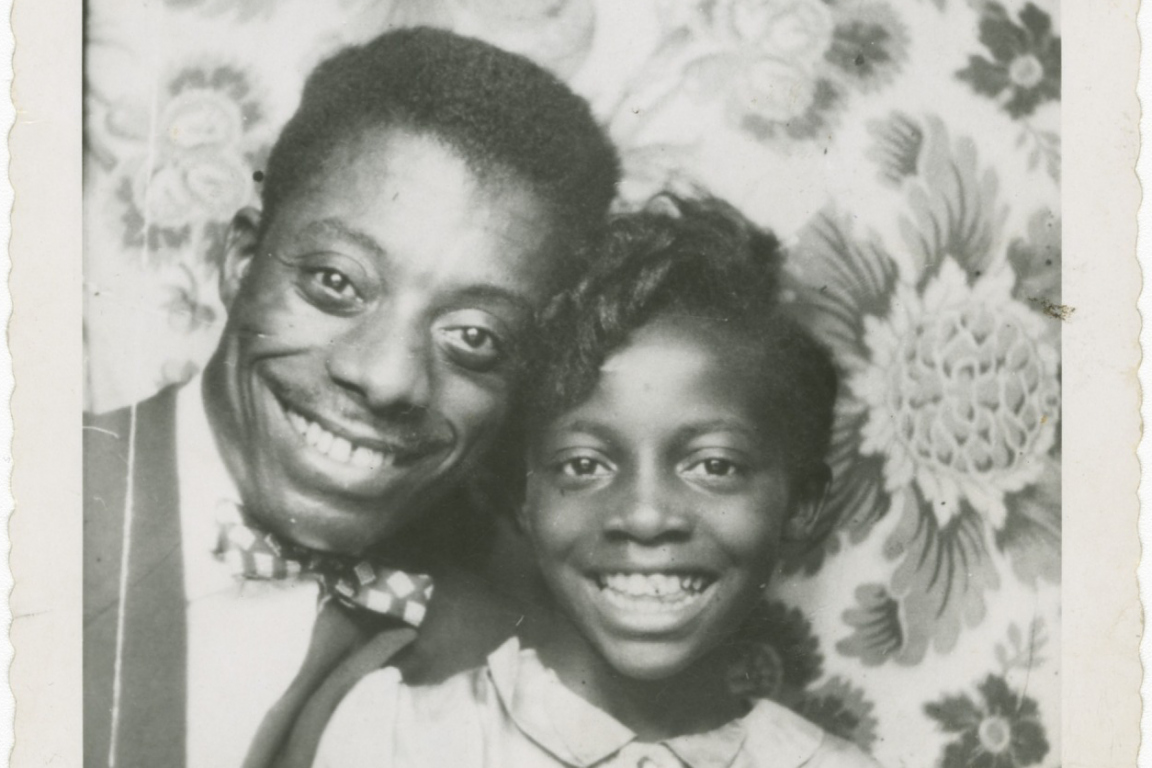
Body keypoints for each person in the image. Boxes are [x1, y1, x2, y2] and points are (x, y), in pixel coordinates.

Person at [83, 27, 619, 768]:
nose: (388, 378)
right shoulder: (33, 498)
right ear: (241, 261)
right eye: (336, 283)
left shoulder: (520, 666)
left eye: (475, 337)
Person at [312, 196, 881, 768]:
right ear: (520, 497)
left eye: (714, 466)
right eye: (583, 466)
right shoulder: (400, 741)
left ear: (801, 503)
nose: (646, 515)